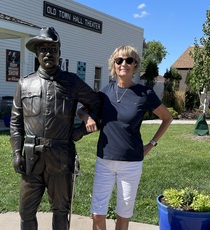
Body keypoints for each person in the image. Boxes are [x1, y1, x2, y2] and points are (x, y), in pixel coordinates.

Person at [10, 27, 101, 230]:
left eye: (53, 49)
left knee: (61, 210)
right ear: (37, 54)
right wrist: (17, 153)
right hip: (32, 158)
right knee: (25, 211)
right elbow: (16, 122)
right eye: (43, 49)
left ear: (60, 53)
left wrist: (81, 130)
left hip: (61, 157)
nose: (48, 54)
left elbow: (97, 104)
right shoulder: (25, 84)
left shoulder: (72, 82)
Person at [77, 45, 173, 230]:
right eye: (119, 60)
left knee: (123, 214)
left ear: (135, 66)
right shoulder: (105, 92)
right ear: (113, 64)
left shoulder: (145, 94)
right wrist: (87, 117)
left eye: (129, 60)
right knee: (97, 214)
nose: (124, 64)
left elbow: (167, 118)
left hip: (131, 163)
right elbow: (81, 109)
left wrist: (151, 144)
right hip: (104, 160)